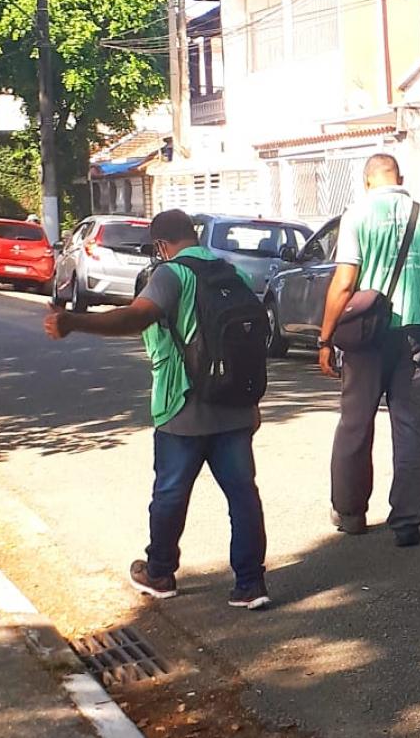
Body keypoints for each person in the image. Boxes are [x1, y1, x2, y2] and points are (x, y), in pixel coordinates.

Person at [43, 208, 270, 609]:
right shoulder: (232, 273)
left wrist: (75, 322)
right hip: (235, 404)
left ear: (162, 245)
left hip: (182, 406)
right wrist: (251, 403)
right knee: (243, 495)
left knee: (170, 493)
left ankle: (161, 573)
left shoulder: (171, 275)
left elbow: (135, 317)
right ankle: (250, 585)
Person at [318, 154, 420, 548]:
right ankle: (407, 521)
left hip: (369, 337)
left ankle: (351, 513)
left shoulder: (357, 214)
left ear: (367, 181)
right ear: (400, 178)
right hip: (419, 332)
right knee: (413, 426)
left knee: (355, 424)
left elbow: (344, 282)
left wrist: (324, 338)